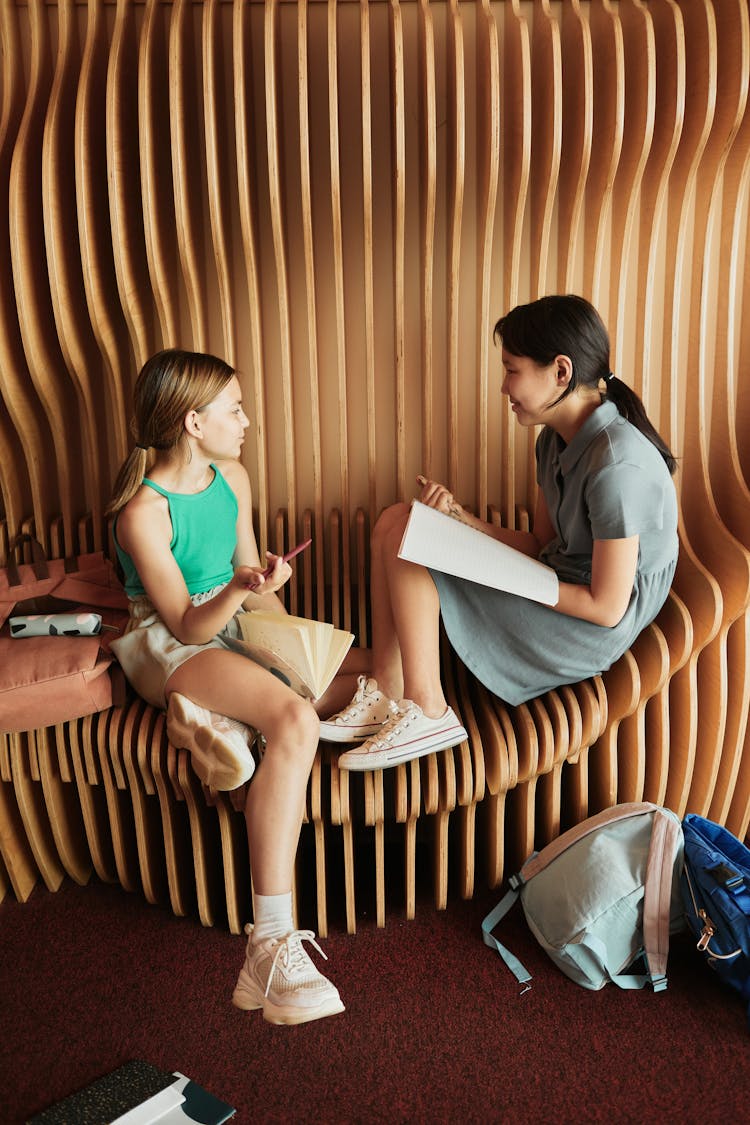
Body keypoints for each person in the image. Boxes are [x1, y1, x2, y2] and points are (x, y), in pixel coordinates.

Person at [106, 348, 364, 1026]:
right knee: (296, 720)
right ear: (193, 421)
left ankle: (219, 726)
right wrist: (243, 593)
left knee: (357, 676)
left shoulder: (235, 476)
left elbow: (250, 574)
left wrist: (290, 642)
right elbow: (189, 623)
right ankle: (269, 942)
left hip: (230, 621)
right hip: (171, 641)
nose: (246, 421)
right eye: (235, 409)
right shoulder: (142, 513)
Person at [320, 294, 679, 771]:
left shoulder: (616, 464)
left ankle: (428, 709)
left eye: (512, 370)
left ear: (561, 372)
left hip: (582, 630)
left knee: (410, 539)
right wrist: (460, 521)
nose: (503, 386)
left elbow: (607, 609)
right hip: (558, 590)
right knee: (397, 521)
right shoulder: (555, 441)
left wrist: (503, 574)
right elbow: (540, 547)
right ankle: (389, 688)